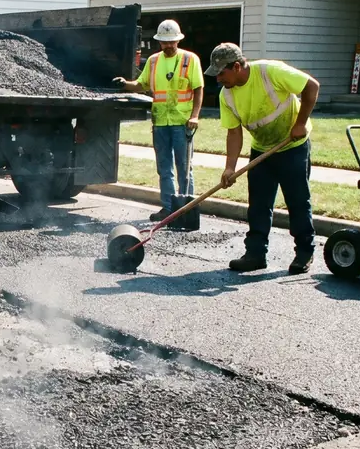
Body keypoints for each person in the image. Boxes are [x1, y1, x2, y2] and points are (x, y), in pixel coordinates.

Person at [205, 43, 320, 275]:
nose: (218, 79)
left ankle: (304, 252)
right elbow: (234, 132)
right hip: (262, 150)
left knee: (298, 201)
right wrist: (229, 168)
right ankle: (255, 254)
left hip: (292, 147)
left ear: (237, 67)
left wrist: (300, 124)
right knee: (258, 205)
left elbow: (311, 86)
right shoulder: (226, 95)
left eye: (221, 73)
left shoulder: (270, 72)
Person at [114, 19, 204, 222]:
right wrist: (125, 84)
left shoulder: (190, 60)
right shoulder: (154, 61)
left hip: (182, 123)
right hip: (161, 122)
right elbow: (142, 84)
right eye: (165, 42)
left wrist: (195, 115)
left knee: (184, 168)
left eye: (172, 41)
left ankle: (185, 210)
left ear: (178, 40)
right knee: (164, 168)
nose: (168, 45)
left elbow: (198, 89)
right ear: (159, 42)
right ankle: (169, 209)